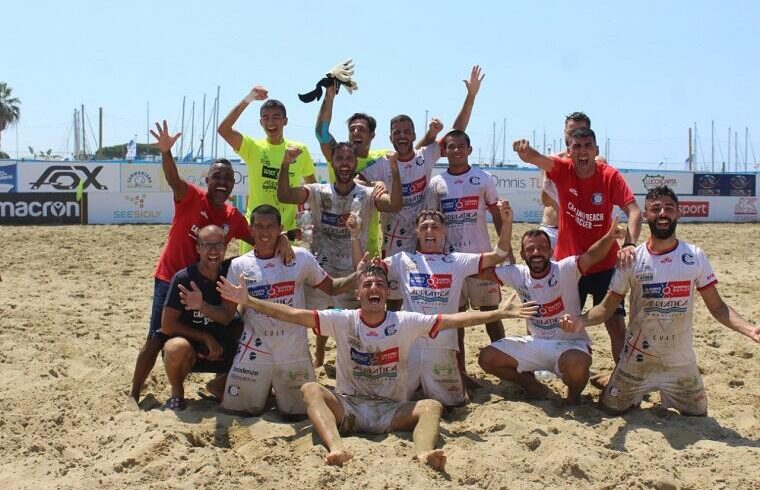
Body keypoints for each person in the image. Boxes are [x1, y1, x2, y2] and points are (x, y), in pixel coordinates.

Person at [217, 263, 537, 469]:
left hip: (391, 411)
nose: (374, 289)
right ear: (358, 293)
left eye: (379, 285)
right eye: (368, 284)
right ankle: (337, 448)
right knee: (311, 389)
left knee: (431, 406)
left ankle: (423, 454)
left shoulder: (405, 321)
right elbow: (293, 315)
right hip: (349, 408)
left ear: (386, 293)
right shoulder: (343, 320)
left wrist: (498, 314)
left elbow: (455, 319)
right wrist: (249, 301)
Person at [560, 186, 760, 415]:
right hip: (637, 360)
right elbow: (606, 308)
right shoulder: (631, 259)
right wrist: (581, 320)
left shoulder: (694, 256)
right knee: (609, 409)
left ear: (678, 213)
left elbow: (718, 307)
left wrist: (750, 330)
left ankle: (614, 379)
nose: (662, 213)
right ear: (646, 215)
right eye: (655, 209)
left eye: (669, 208)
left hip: (680, 364)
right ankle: (614, 379)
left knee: (697, 415)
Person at [129, 121, 284, 404]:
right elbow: (173, 179)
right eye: (217, 176)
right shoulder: (191, 197)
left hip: (208, 281)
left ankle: (222, 383)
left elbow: (261, 237)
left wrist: (282, 240)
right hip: (171, 277)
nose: (222, 182)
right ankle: (134, 393)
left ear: (233, 184)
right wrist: (166, 152)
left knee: (235, 327)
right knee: (156, 337)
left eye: (227, 178)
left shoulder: (233, 216)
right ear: (208, 179)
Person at [346, 206, 514, 407]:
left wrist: (507, 223)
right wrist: (354, 236)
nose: (429, 231)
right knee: (387, 401)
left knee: (453, 405)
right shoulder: (403, 260)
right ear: (417, 232)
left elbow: (499, 254)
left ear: (444, 232)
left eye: (435, 227)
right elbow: (364, 271)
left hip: (442, 347)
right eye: (424, 227)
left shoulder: (457, 261)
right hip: (410, 347)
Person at [513, 127, 642, 372]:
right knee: (556, 323)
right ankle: (547, 368)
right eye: (577, 146)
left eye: (587, 146)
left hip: (605, 263)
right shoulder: (562, 169)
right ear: (569, 151)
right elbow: (535, 158)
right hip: (570, 266)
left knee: (615, 324)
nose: (582, 151)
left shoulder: (610, 176)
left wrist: (629, 243)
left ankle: (623, 377)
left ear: (596, 150)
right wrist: (525, 151)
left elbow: (634, 211)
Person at [359, 66, 485, 309]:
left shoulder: (424, 156)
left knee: (427, 295)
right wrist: (373, 185)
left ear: (414, 134)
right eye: (397, 133)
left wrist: (471, 96)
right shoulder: (382, 165)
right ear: (391, 137)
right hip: (394, 240)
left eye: (407, 132)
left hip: (423, 237)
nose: (402, 136)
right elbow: (356, 181)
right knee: (394, 302)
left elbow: (456, 132)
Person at [216, 205, 359, 416]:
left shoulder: (301, 258)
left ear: (280, 228)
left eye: (270, 226)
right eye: (259, 226)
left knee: (298, 413)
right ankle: (250, 386)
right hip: (255, 350)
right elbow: (228, 315)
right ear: (251, 229)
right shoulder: (238, 265)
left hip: (293, 351)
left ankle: (268, 390)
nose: (264, 232)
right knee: (239, 411)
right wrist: (201, 306)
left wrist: (358, 276)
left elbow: (331, 287)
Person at [477, 216, 626, 404]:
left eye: (542, 247)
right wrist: (452, 266)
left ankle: (572, 398)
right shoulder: (517, 273)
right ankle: (534, 388)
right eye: (530, 249)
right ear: (522, 254)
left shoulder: (565, 268)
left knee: (576, 364)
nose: (536, 252)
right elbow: (480, 272)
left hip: (570, 345)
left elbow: (591, 256)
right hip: (536, 343)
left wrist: (609, 237)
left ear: (551, 250)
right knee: (487, 358)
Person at [277, 142, 401, 367]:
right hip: (320, 270)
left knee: (355, 326)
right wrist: (285, 163)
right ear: (332, 162)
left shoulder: (367, 194)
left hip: (352, 270)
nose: (345, 163)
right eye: (340, 159)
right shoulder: (318, 191)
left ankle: (354, 366)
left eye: (349, 159)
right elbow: (284, 195)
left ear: (355, 163)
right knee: (311, 320)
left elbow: (394, 205)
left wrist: (394, 169)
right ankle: (317, 356)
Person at [424, 129, 512, 389]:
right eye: (451, 146)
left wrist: (506, 248)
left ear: (469, 149)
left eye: (461, 146)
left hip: (482, 257)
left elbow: (497, 215)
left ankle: (506, 365)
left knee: (492, 315)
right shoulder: (436, 183)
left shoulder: (483, 178)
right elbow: (433, 222)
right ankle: (460, 371)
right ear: (445, 151)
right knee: (456, 318)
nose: (456, 150)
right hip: (451, 261)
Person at [217, 85, 317, 253]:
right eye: (266, 118)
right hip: (254, 232)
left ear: (285, 120)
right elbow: (224, 130)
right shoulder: (254, 148)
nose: (271, 123)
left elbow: (313, 189)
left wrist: (310, 220)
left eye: (276, 117)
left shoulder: (299, 150)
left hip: (286, 233)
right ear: (260, 122)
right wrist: (249, 98)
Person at [157, 225, 242, 410]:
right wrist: (205, 337)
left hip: (225, 345)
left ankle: (219, 384)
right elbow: (167, 325)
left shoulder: (231, 272)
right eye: (206, 245)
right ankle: (177, 394)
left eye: (219, 245)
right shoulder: (184, 278)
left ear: (226, 247)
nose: (213, 250)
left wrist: (285, 241)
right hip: (192, 349)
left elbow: (226, 317)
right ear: (197, 248)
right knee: (175, 347)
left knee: (259, 342)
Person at [540, 112, 596, 249]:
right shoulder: (552, 161)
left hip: (582, 231)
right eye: (571, 132)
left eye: (580, 131)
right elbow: (546, 201)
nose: (575, 135)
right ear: (565, 132)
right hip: (553, 229)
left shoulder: (598, 163)